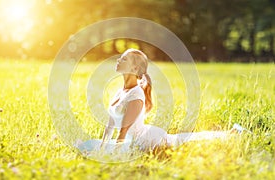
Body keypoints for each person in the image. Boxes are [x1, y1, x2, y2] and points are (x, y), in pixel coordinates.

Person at [98, 48, 248, 152]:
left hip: (144, 141)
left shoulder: (136, 95)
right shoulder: (120, 92)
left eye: (124, 59)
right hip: (126, 142)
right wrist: (102, 148)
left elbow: (123, 131)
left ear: (135, 69)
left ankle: (232, 134)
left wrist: (113, 155)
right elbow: (110, 126)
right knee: (183, 139)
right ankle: (231, 133)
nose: (118, 60)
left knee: (188, 141)